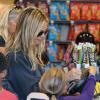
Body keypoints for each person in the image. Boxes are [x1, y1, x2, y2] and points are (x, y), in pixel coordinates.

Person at [6, 7, 49, 99]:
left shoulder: (31, 55)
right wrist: (61, 80)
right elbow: (32, 92)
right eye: (39, 33)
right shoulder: (16, 58)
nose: (43, 36)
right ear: (28, 31)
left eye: (45, 32)